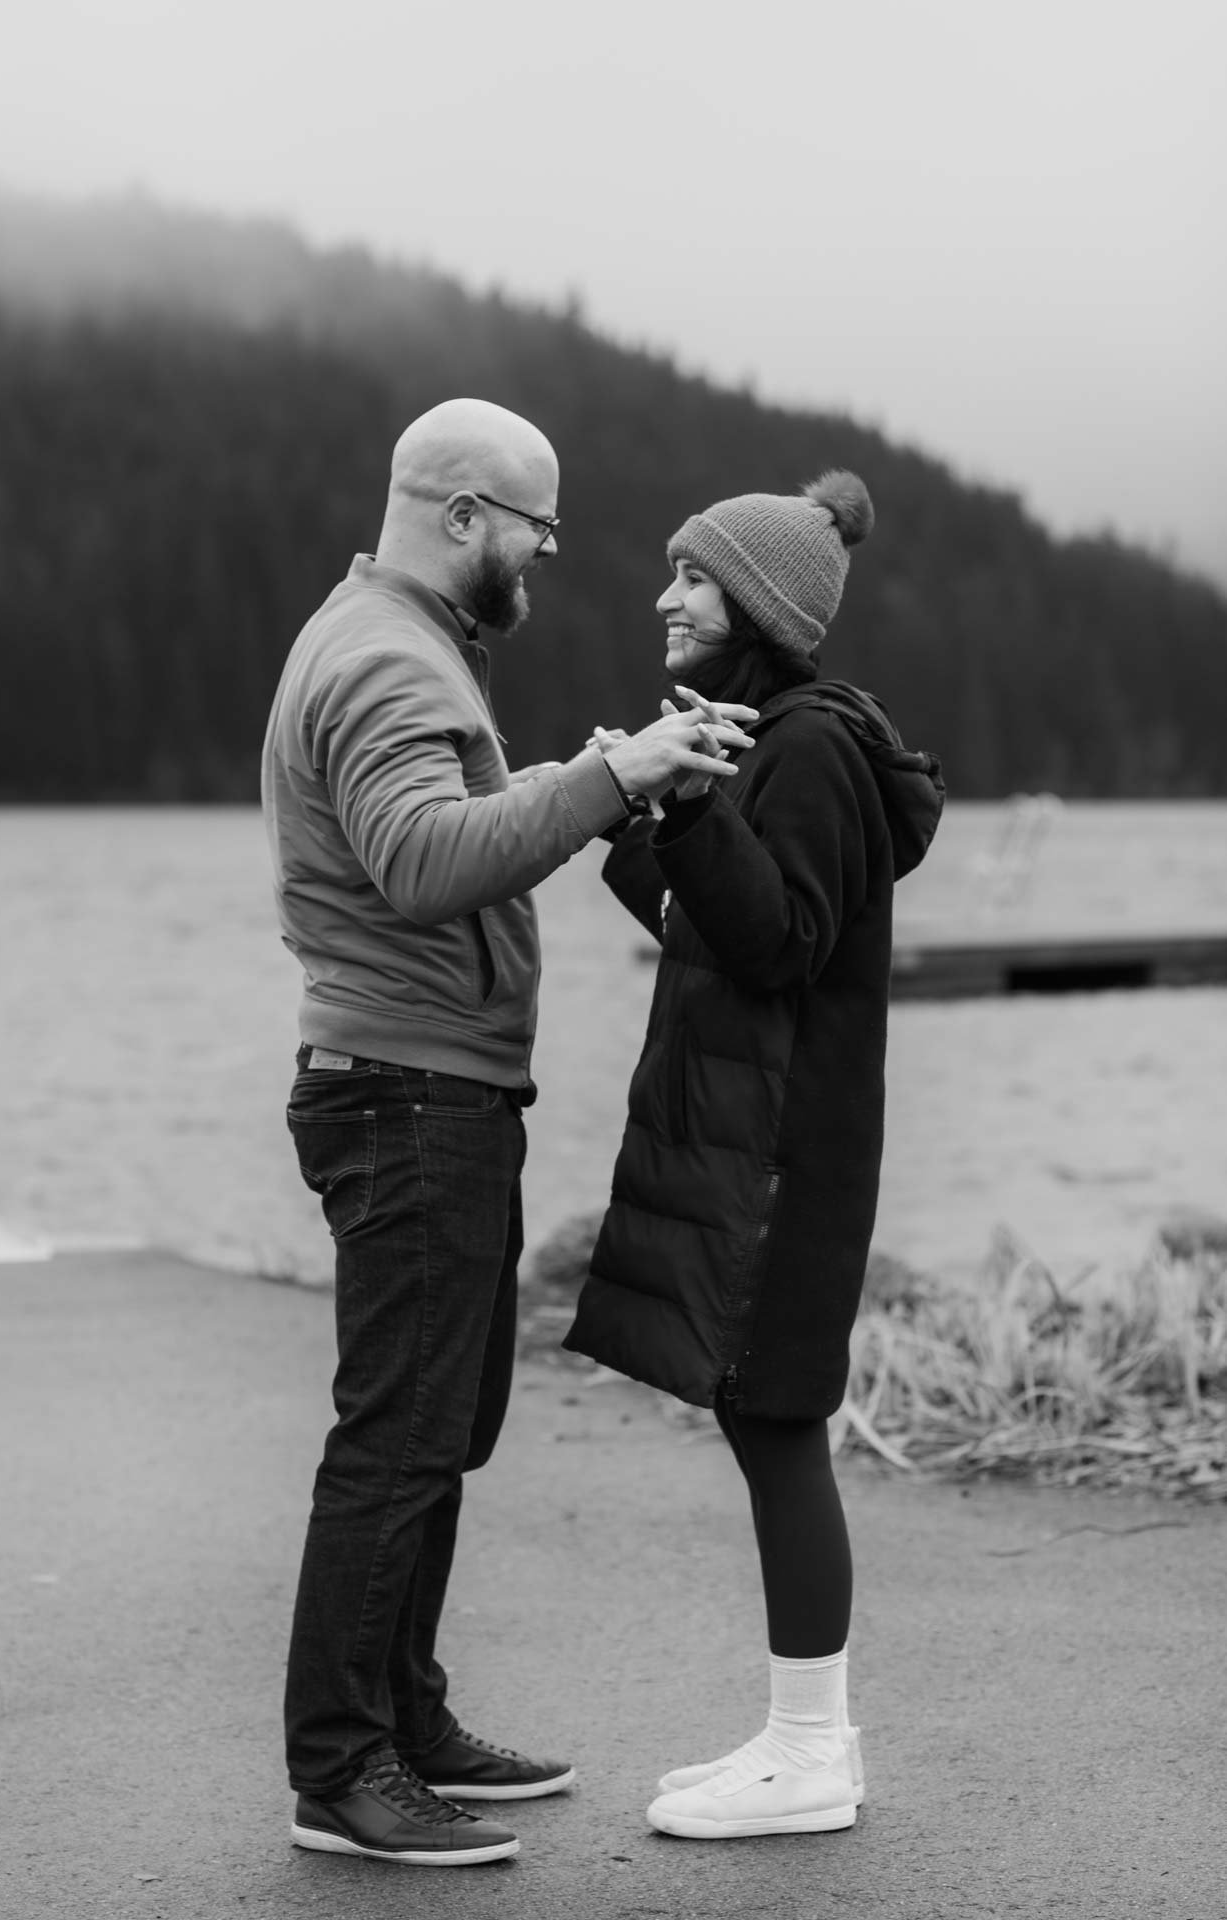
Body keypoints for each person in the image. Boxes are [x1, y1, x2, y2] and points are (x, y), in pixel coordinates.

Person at [260, 396, 757, 1868]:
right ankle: (341, 1771)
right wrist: (613, 779)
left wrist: (583, 784)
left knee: (444, 1424)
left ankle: (404, 1717)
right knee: (398, 1438)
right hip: (406, 1095)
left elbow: (446, 835)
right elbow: (421, 863)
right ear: (463, 515)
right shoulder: (384, 663)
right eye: (534, 525)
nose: (542, 552)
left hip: (433, 1088)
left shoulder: (396, 641)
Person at [563, 469, 945, 1841]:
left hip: (790, 1152)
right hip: (766, 1144)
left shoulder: (814, 751)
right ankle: (800, 1736)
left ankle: (811, 1752)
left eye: (693, 577)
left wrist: (690, 807)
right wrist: (639, 812)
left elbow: (780, 939)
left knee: (775, 1417)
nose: (664, 596)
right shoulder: (766, 738)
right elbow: (718, 923)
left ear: (760, 610)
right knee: (756, 1411)